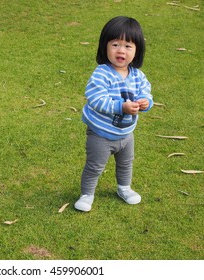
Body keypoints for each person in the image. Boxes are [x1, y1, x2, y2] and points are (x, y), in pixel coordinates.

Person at [74, 16, 153, 212]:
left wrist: (146, 102)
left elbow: (146, 92)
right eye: (115, 44)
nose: (121, 50)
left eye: (128, 46)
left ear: (137, 50)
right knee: (95, 166)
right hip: (101, 134)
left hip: (126, 134)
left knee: (126, 163)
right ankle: (87, 194)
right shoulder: (102, 73)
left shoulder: (137, 75)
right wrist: (121, 107)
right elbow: (96, 99)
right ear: (105, 47)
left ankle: (124, 188)